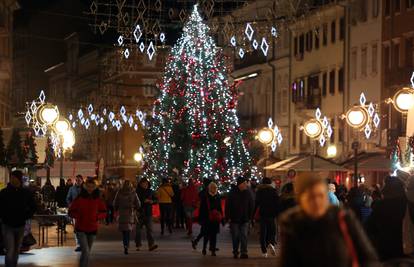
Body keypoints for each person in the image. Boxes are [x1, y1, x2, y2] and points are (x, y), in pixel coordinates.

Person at [279, 173, 379, 267]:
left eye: (321, 195)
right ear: (300, 199)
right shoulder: (292, 224)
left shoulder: (343, 218)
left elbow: (368, 257)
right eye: (311, 197)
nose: (317, 201)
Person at [0, 170, 36, 267]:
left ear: (19, 179)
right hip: (7, 225)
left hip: (20, 225)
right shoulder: (4, 192)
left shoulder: (25, 192)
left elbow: (33, 206)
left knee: (16, 250)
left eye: (14, 177)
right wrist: (3, 216)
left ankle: (13, 265)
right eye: (11, 177)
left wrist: (26, 215)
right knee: (10, 250)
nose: (12, 179)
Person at [366, 177, 407, 261]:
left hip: (384, 247)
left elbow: (369, 226)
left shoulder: (380, 205)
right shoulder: (408, 204)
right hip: (405, 247)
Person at [68, 179, 106, 267]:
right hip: (81, 228)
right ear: (85, 187)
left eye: (92, 187)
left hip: (92, 228)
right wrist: (79, 216)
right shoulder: (79, 199)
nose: (90, 189)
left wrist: (97, 217)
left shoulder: (97, 199)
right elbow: (71, 212)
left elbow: (103, 211)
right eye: (88, 187)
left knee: (87, 252)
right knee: (86, 251)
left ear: (94, 188)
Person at [225, 176, 254, 259]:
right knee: (235, 236)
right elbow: (228, 206)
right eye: (244, 183)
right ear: (240, 184)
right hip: (234, 219)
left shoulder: (248, 193)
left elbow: (251, 205)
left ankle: (244, 252)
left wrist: (250, 217)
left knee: (244, 235)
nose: (246, 185)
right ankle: (235, 251)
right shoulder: (232, 193)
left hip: (245, 218)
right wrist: (228, 217)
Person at [113, 180, 140, 255]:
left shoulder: (119, 192)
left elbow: (115, 203)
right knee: (128, 231)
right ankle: (127, 245)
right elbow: (138, 204)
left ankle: (125, 245)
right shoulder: (133, 193)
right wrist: (135, 207)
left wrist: (116, 209)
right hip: (130, 213)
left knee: (124, 232)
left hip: (121, 214)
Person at [255, 177, 279, 257]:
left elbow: (256, 203)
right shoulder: (273, 191)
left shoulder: (259, 191)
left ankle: (264, 251)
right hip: (272, 215)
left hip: (263, 214)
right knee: (272, 231)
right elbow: (277, 203)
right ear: (269, 183)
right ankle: (271, 243)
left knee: (263, 233)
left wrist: (252, 215)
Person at [198, 182, 222, 256]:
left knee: (214, 235)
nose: (214, 189)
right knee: (206, 235)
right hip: (206, 218)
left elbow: (219, 208)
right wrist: (201, 219)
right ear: (209, 188)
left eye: (215, 188)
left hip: (215, 219)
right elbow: (202, 208)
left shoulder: (218, 196)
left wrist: (222, 217)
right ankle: (204, 248)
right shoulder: (206, 197)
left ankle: (213, 250)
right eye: (213, 188)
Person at [135, 178, 158, 251]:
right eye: (144, 183)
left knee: (150, 230)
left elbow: (156, 200)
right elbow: (134, 201)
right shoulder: (137, 192)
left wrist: (152, 201)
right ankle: (138, 244)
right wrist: (142, 202)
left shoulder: (150, 191)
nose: (145, 185)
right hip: (140, 213)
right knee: (138, 230)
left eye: (146, 183)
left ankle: (151, 245)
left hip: (148, 213)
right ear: (140, 184)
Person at [192, 178, 212, 249]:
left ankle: (197, 242)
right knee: (205, 230)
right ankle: (209, 246)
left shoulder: (202, 193)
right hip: (205, 214)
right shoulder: (206, 193)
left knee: (206, 230)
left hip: (205, 214)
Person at [67, 174, 84, 252]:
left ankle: (83, 244)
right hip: (75, 212)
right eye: (76, 180)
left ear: (82, 180)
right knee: (76, 229)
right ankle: (78, 244)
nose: (77, 181)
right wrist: (71, 205)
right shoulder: (72, 188)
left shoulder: (85, 189)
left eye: (79, 180)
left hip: (84, 212)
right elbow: (68, 198)